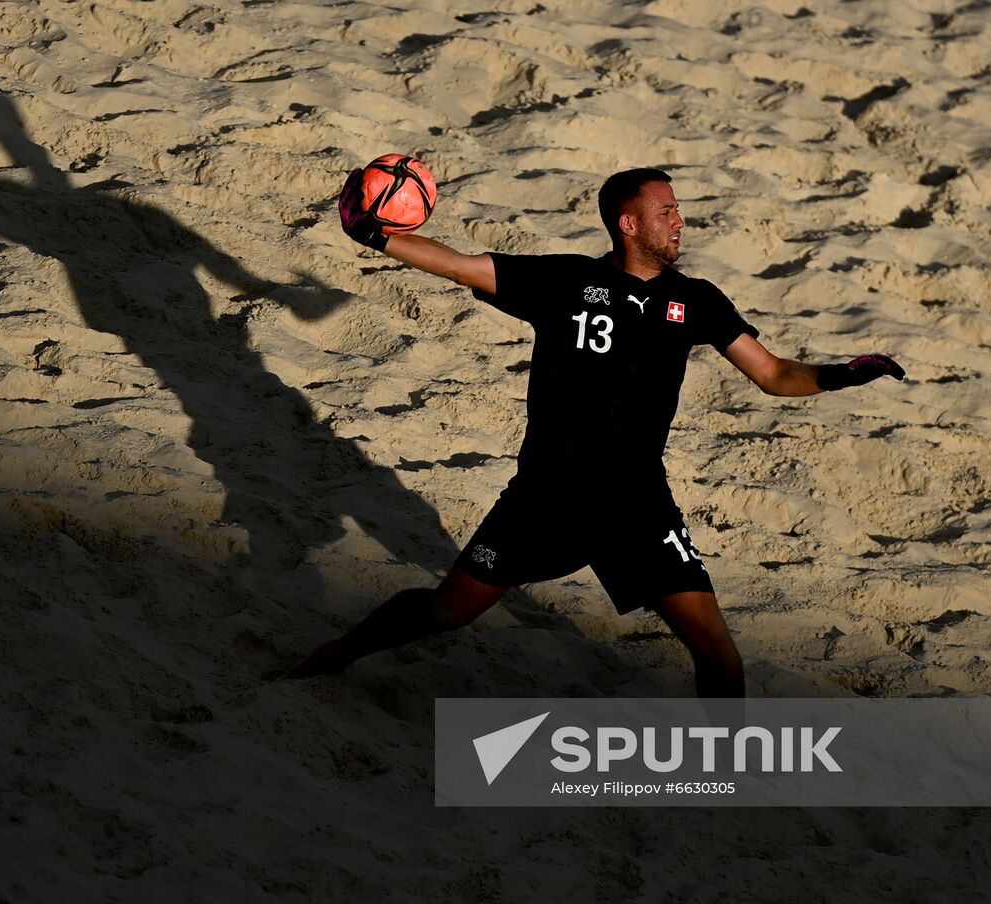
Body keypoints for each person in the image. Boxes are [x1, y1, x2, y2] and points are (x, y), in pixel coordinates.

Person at [287, 166, 904, 696]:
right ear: (628, 224)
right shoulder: (563, 282)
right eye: (666, 212)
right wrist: (374, 234)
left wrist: (840, 375)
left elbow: (772, 374)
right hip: (546, 496)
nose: (679, 222)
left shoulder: (698, 299)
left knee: (715, 648)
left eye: (679, 212)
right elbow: (456, 265)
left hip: (637, 500)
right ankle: (333, 657)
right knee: (446, 611)